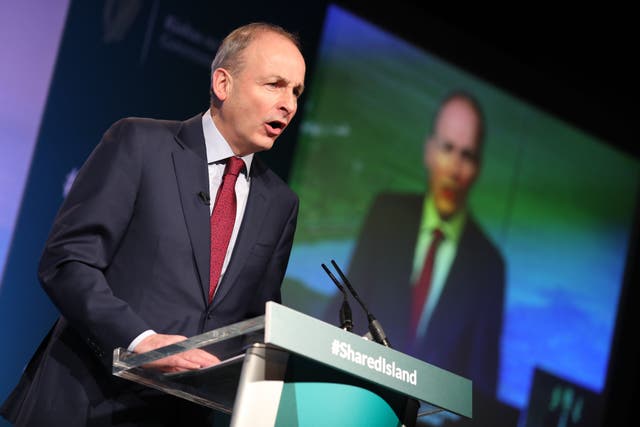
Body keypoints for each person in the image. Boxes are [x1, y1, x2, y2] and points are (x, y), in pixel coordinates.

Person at [1, 22, 305, 426]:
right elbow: (68, 262)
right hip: (86, 402)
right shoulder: (140, 144)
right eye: (274, 85)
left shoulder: (280, 203)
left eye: (297, 92)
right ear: (222, 83)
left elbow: (256, 322)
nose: (289, 104)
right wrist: (140, 342)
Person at [326, 91, 505, 402]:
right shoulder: (387, 214)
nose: (455, 168)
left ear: (478, 169)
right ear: (429, 151)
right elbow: (344, 305)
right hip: (354, 398)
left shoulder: (489, 266)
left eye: (468, 155)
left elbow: (482, 389)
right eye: (448, 148)